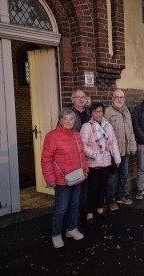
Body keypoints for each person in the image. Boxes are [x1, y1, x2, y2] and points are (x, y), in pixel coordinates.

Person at [41, 109, 89, 248]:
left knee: (74, 205)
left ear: (74, 121)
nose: (68, 121)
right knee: (61, 208)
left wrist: (85, 170)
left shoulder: (76, 135)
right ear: (61, 120)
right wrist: (49, 178)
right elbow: (46, 159)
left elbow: (81, 155)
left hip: (77, 177)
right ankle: (56, 234)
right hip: (62, 179)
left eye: (71, 119)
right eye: (65, 119)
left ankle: (71, 229)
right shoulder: (52, 136)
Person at [80, 102, 121, 227]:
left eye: (100, 111)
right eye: (95, 111)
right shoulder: (87, 126)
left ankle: (99, 208)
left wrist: (117, 158)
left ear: (103, 112)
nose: (98, 114)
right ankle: (89, 212)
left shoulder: (107, 125)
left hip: (106, 162)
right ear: (91, 113)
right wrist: (94, 155)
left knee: (103, 187)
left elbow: (113, 142)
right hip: (93, 163)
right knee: (92, 188)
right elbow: (82, 145)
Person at [105, 89, 137, 208]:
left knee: (123, 175)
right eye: (117, 97)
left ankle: (121, 196)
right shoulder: (107, 112)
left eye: (121, 97)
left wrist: (133, 145)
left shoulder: (126, 111)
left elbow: (131, 130)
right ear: (113, 98)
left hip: (125, 149)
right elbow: (104, 133)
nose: (119, 99)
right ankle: (111, 200)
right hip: (113, 151)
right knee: (112, 177)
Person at [69, 89, 91, 217]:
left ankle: (85, 207)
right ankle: (74, 210)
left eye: (83, 97)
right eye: (78, 97)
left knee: (87, 181)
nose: (81, 99)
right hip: (75, 153)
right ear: (73, 99)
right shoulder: (68, 113)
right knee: (77, 181)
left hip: (88, 151)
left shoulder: (89, 112)